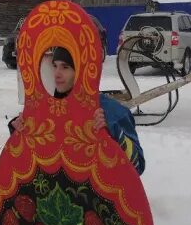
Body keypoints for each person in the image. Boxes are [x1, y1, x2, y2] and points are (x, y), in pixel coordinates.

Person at [10, 46, 145, 175]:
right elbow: (32, 164)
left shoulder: (113, 112)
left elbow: (137, 166)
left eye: (65, 67)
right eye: (55, 66)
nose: (57, 74)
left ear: (81, 71)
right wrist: (20, 134)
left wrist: (111, 131)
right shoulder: (46, 110)